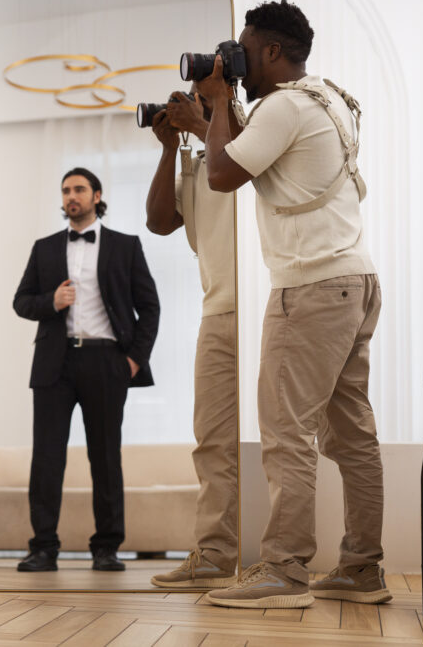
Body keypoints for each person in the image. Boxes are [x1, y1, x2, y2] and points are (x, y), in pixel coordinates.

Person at [195, 0, 389, 608]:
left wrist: (221, 98)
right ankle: (362, 567)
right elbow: (238, 158)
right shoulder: (328, 98)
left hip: (309, 290)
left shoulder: (280, 107)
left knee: (286, 433)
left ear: (273, 51)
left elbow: (222, 175)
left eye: (244, 49)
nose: (236, 59)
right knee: (351, 435)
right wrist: (213, 111)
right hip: (354, 280)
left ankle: (284, 569)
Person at [12, 167, 160, 572]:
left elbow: (150, 307)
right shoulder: (44, 248)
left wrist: (132, 360)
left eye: (79, 189)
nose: (71, 196)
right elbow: (21, 301)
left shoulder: (126, 246)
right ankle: (43, 547)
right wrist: (51, 301)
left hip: (106, 362)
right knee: (46, 459)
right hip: (54, 365)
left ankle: (106, 548)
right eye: (65, 191)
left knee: (105, 458)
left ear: (97, 195)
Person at [144, 91, 239, 589]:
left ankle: (286, 561)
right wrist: (167, 148)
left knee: (287, 440)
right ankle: (215, 555)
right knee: (212, 441)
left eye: (204, 100)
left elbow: (250, 172)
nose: (191, 107)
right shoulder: (198, 163)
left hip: (266, 302)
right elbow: (160, 222)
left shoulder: (249, 140)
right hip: (217, 309)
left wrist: (204, 125)